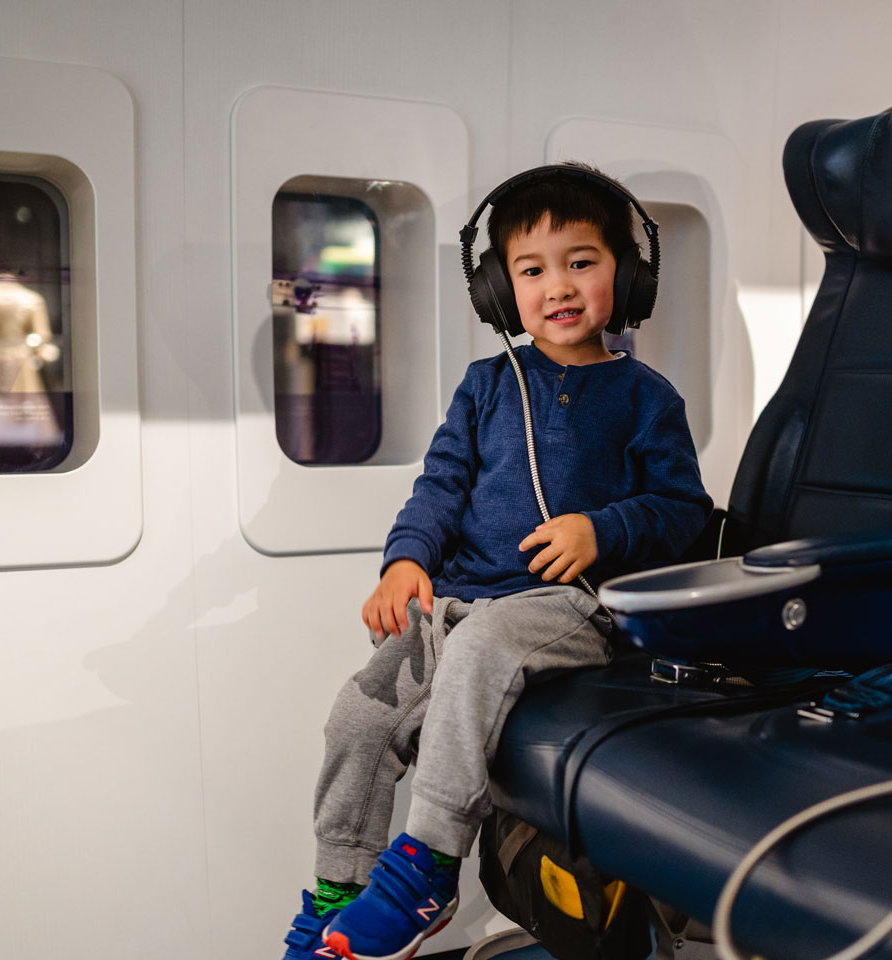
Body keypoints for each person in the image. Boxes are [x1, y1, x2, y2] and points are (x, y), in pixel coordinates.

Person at [281, 164, 713, 960]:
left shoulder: (649, 398)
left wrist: (602, 530)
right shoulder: (484, 387)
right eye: (532, 269)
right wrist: (405, 562)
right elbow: (439, 489)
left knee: (482, 649)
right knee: (361, 710)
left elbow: (684, 512)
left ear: (629, 274)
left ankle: (427, 870)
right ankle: (340, 891)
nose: (559, 286)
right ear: (496, 289)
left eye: (582, 262)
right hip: (458, 606)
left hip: (572, 610)